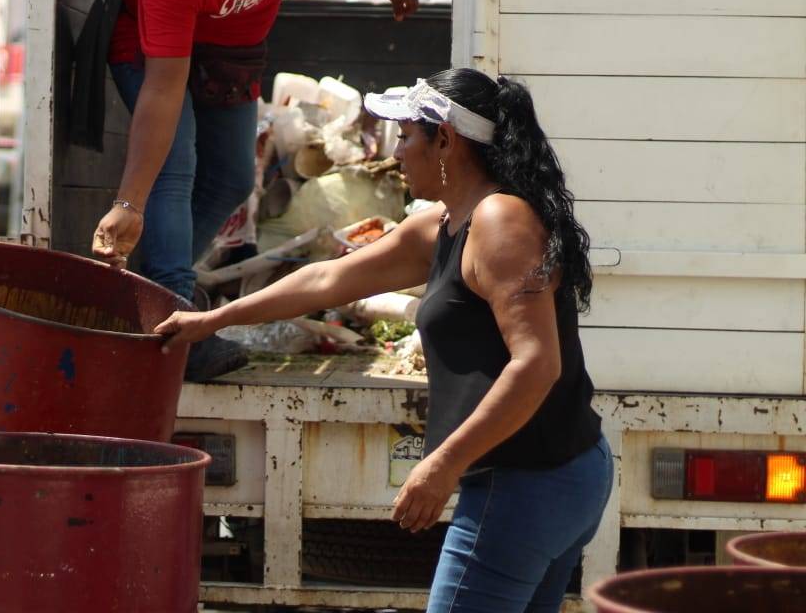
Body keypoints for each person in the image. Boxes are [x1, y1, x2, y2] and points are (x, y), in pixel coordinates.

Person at [155, 69, 611, 613]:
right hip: (553, 477)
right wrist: (214, 319)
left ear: (446, 139)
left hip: (526, 486)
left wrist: (441, 465)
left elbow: (536, 365)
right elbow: (327, 279)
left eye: (407, 137)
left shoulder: (499, 222)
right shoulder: (445, 225)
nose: (396, 153)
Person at [86, 0, 420, 382]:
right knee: (176, 167)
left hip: (232, 50)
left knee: (232, 179)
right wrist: (129, 202)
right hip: (151, 47)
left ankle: (151, 297)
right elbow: (164, 89)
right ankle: (176, 321)